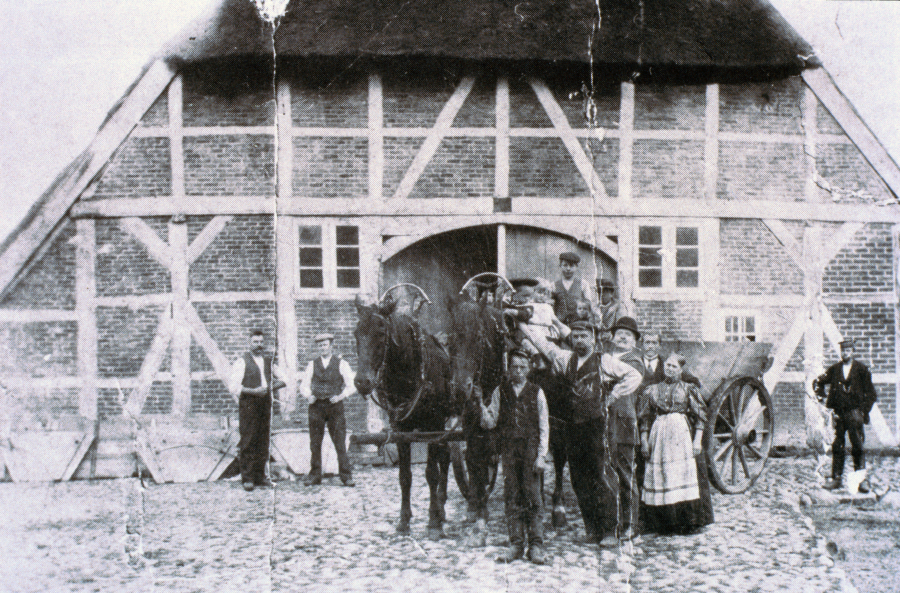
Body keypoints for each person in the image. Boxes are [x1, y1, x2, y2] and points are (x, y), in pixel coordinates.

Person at [520, 319, 642, 547]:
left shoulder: (604, 361)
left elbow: (634, 375)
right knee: (579, 479)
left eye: (583, 336)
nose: (579, 340)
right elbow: (543, 345)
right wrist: (521, 324)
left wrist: (613, 396)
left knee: (601, 477)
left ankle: (609, 531)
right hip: (573, 427)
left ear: (593, 338)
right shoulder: (566, 358)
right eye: (575, 336)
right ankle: (592, 529)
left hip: (596, 426)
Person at [481, 349, 550, 565]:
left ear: (528, 369)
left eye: (522, 367)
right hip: (509, 449)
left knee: (533, 496)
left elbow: (544, 424)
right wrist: (480, 409)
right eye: (514, 367)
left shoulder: (537, 392)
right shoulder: (500, 392)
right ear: (508, 369)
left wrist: (542, 455)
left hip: (530, 450)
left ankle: (536, 545)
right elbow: (490, 422)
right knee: (512, 495)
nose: (518, 371)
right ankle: (516, 544)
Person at [638, 353, 714, 534]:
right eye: (667, 365)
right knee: (661, 475)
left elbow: (701, 416)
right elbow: (644, 418)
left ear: (681, 370)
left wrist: (697, 440)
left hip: (680, 433)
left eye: (674, 366)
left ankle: (686, 523)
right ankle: (662, 523)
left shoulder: (688, 389)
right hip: (659, 434)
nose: (669, 369)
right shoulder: (652, 389)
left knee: (679, 474)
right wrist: (644, 441)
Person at [814, 338, 878, 493]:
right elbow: (817, 382)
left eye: (848, 350)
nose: (845, 353)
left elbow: (871, 394)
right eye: (842, 350)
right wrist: (822, 398)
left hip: (855, 413)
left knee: (858, 446)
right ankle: (836, 479)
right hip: (838, 415)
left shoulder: (862, 369)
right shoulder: (835, 369)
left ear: (853, 351)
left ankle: (861, 481)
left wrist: (863, 411)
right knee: (837, 445)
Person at [228, 329, 286, 492]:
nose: (259, 345)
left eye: (261, 342)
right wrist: (254, 391)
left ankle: (260, 477)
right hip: (249, 405)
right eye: (255, 342)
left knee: (263, 440)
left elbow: (284, 379)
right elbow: (233, 387)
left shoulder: (269, 362)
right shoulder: (242, 361)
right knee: (248, 440)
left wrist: (269, 388)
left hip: (265, 405)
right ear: (249, 343)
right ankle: (247, 478)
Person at [605, 317, 646, 542]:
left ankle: (631, 525)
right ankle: (613, 523)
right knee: (608, 476)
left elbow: (620, 378)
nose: (622, 337)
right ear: (612, 337)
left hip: (623, 423)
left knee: (626, 475)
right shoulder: (606, 357)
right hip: (604, 423)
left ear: (634, 342)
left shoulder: (634, 361)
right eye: (619, 333)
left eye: (628, 335)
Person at [299, 332, 357, 487]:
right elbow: (303, 386)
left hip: (334, 408)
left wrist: (340, 396)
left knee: (339, 442)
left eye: (325, 345)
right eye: (319, 345)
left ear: (331, 346)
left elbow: (352, 385)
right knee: (315, 443)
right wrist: (308, 395)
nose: (322, 348)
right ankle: (315, 476)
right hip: (316, 407)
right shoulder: (312, 364)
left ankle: (346, 476)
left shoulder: (341, 363)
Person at [552, 252, 600, 327]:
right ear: (560, 266)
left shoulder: (583, 284)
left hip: (578, 324)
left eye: (571, 266)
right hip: (560, 325)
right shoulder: (553, 285)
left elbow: (589, 305)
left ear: (576, 267)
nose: (568, 268)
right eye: (565, 265)